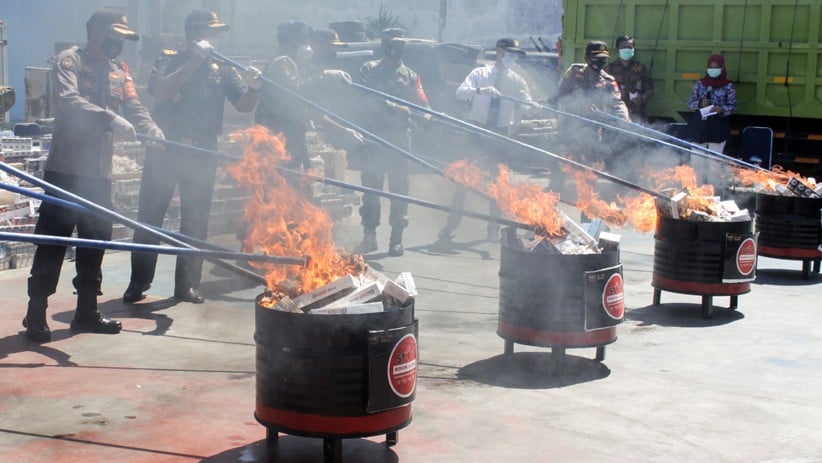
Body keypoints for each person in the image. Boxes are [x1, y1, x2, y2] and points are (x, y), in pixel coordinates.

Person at [23, 9, 163, 342]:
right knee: (53, 242)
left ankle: (86, 310)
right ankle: (36, 311)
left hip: (99, 173)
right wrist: (108, 119)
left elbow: (134, 105)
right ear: (96, 33)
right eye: (114, 36)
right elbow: (69, 101)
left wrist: (151, 128)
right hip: (66, 170)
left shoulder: (119, 71)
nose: (118, 44)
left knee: (96, 240)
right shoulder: (69, 60)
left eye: (122, 39)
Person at [123, 10, 262, 305]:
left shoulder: (222, 67)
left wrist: (255, 87)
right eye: (209, 31)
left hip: (201, 151)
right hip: (167, 148)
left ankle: (187, 285)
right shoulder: (169, 58)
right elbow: (160, 91)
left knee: (196, 221)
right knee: (150, 216)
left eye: (217, 32)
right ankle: (139, 282)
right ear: (192, 32)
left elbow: (243, 105)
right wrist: (195, 59)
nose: (215, 38)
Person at [437, 37, 533, 243]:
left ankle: (493, 228)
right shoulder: (480, 74)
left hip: (501, 134)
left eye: (515, 54)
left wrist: (531, 105)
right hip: (478, 132)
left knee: (499, 182)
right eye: (509, 53)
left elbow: (527, 105)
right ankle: (450, 226)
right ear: (499, 52)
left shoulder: (517, 80)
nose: (513, 57)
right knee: (464, 179)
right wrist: (480, 90)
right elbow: (460, 93)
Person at [354, 28, 430, 257]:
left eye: (401, 45)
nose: (398, 49)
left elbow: (422, 100)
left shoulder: (410, 74)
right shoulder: (368, 69)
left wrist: (427, 114)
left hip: (399, 141)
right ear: (385, 45)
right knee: (371, 190)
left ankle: (396, 240)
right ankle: (369, 237)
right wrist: (393, 108)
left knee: (400, 191)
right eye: (394, 44)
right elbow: (364, 98)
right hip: (374, 138)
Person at [254, 21, 362, 172]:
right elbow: (294, 93)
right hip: (278, 139)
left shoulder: (295, 65)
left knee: (297, 187)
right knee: (281, 188)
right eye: (304, 39)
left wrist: (343, 131)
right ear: (291, 40)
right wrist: (324, 76)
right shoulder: (282, 63)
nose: (307, 44)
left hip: (292, 138)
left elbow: (311, 110)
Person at [555, 40, 630, 167]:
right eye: (596, 58)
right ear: (587, 58)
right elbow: (561, 94)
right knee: (563, 162)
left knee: (591, 164)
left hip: (592, 130)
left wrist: (623, 118)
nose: (599, 62)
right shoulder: (575, 71)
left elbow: (617, 103)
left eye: (602, 59)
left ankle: (588, 186)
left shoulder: (608, 81)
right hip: (569, 126)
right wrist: (577, 104)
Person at [687, 54, 736, 154]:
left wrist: (722, 109)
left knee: (714, 160)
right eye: (711, 67)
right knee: (697, 157)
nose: (713, 70)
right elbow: (690, 103)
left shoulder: (728, 85)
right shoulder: (700, 83)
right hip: (700, 124)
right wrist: (700, 103)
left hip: (718, 125)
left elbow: (733, 106)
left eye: (716, 67)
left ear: (722, 68)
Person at [604, 35, 654, 120]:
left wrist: (643, 98)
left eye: (629, 47)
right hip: (616, 116)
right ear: (617, 49)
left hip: (638, 116)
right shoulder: (609, 69)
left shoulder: (640, 68)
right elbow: (603, 91)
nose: (627, 49)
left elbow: (650, 90)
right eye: (623, 47)